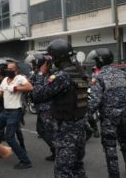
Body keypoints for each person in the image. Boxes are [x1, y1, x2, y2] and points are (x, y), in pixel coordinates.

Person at [33, 39, 88, 178]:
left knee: (62, 171)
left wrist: (41, 73)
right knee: (77, 167)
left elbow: (37, 95)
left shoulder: (61, 76)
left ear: (56, 57)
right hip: (79, 127)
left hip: (66, 130)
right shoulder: (78, 72)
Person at [87, 48, 126, 178]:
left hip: (109, 119)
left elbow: (95, 101)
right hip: (124, 116)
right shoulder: (121, 74)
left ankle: (114, 174)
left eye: (96, 61)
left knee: (110, 147)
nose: (95, 63)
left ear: (100, 61)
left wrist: (84, 116)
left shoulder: (99, 77)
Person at [0, 61, 33, 169]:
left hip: (15, 112)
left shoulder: (20, 78)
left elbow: (30, 87)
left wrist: (15, 88)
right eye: (8, 68)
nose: (8, 70)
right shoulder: (4, 80)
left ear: (16, 70)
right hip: (5, 112)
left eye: (11, 69)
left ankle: (25, 161)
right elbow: (0, 94)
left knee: (9, 137)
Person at [0, 60, 26, 150]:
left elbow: (23, 91)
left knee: (16, 129)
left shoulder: (14, 77)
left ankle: (22, 146)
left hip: (12, 107)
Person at [30, 54, 56, 161]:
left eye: (36, 63)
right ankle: (55, 149)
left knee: (50, 131)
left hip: (48, 108)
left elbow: (38, 92)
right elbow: (28, 82)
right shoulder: (37, 74)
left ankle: (59, 151)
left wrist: (40, 74)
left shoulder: (51, 76)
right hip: (40, 108)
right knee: (40, 130)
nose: (35, 66)